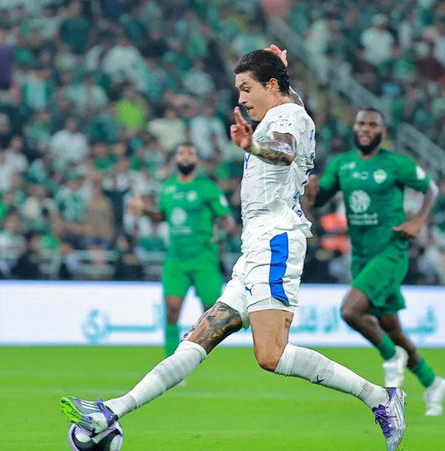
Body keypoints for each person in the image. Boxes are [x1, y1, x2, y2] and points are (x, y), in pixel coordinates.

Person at [60, 46, 406, 451]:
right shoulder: (289, 108)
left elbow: (284, 152)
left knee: (271, 355)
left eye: (246, 88)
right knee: (198, 337)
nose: (240, 99)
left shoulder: (287, 119)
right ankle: (112, 409)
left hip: (276, 241)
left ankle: (380, 398)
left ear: (270, 86)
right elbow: (290, 102)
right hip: (256, 245)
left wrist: (253, 146)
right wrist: (280, 72)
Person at [305, 107, 445, 416]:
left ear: (382, 131)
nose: (366, 128)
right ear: (354, 128)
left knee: (350, 310)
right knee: (392, 328)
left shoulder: (395, 163)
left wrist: (419, 220)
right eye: (361, 123)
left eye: (373, 124)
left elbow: (431, 187)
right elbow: (320, 198)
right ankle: (432, 381)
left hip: (391, 250)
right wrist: (312, 190)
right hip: (361, 254)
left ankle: (391, 357)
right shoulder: (342, 164)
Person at [130, 143, 234, 358]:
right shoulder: (168, 187)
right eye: (180, 153)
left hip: (203, 257)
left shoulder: (206, 187)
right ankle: (170, 360)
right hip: (176, 258)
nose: (185, 156)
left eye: (190, 153)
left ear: (197, 161)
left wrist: (221, 235)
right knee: (171, 308)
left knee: (211, 313)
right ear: (174, 160)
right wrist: (144, 211)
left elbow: (227, 220)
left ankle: (196, 354)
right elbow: (161, 216)